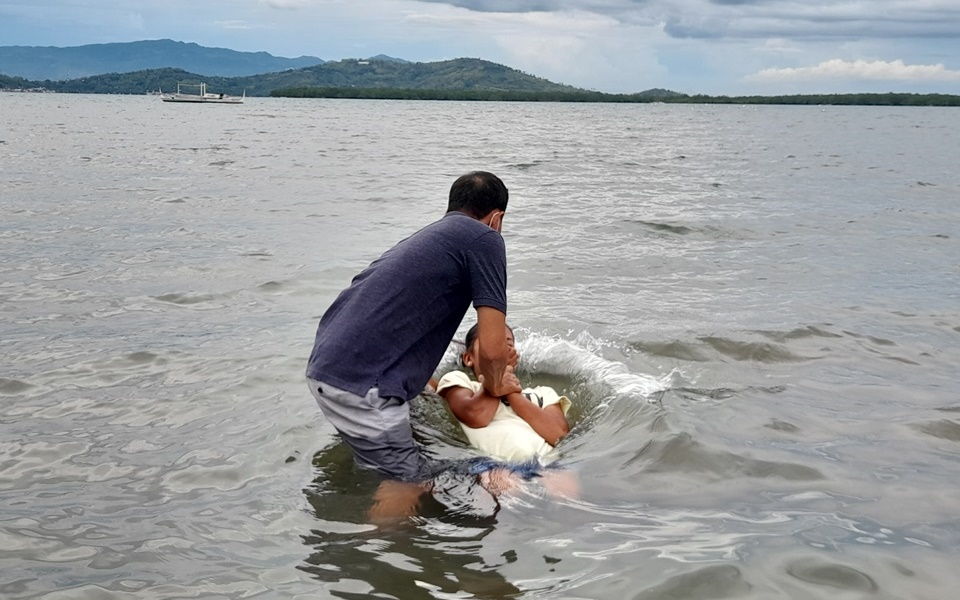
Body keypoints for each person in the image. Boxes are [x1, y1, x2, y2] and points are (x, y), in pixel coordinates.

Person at [305, 171, 517, 520]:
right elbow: (493, 350)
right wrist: (497, 385)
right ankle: (384, 561)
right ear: (497, 218)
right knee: (407, 479)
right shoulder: (486, 239)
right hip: (361, 386)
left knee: (410, 442)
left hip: (330, 363)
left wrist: (425, 385)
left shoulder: (433, 237)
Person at [433, 323, 578, 499]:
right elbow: (474, 415)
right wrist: (497, 377)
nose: (500, 348)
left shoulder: (541, 393)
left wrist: (510, 390)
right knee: (507, 494)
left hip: (548, 463)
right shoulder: (461, 382)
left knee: (568, 497)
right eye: (491, 343)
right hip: (494, 464)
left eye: (507, 343)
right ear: (468, 358)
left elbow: (558, 434)